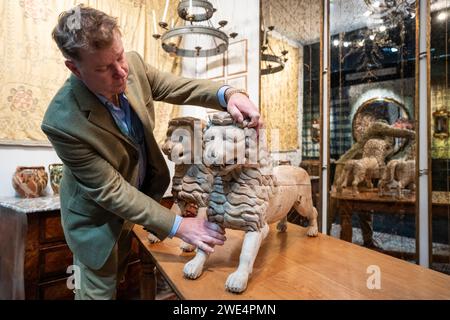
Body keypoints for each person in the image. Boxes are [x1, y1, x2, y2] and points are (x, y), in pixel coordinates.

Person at [41, 5, 261, 300]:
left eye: (119, 56)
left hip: (137, 211)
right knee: (97, 292)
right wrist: (179, 226)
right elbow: (112, 191)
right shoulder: (62, 121)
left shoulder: (133, 65)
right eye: (103, 68)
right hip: (96, 223)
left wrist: (228, 94)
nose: (121, 72)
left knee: (124, 280)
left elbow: (180, 87)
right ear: (75, 69)